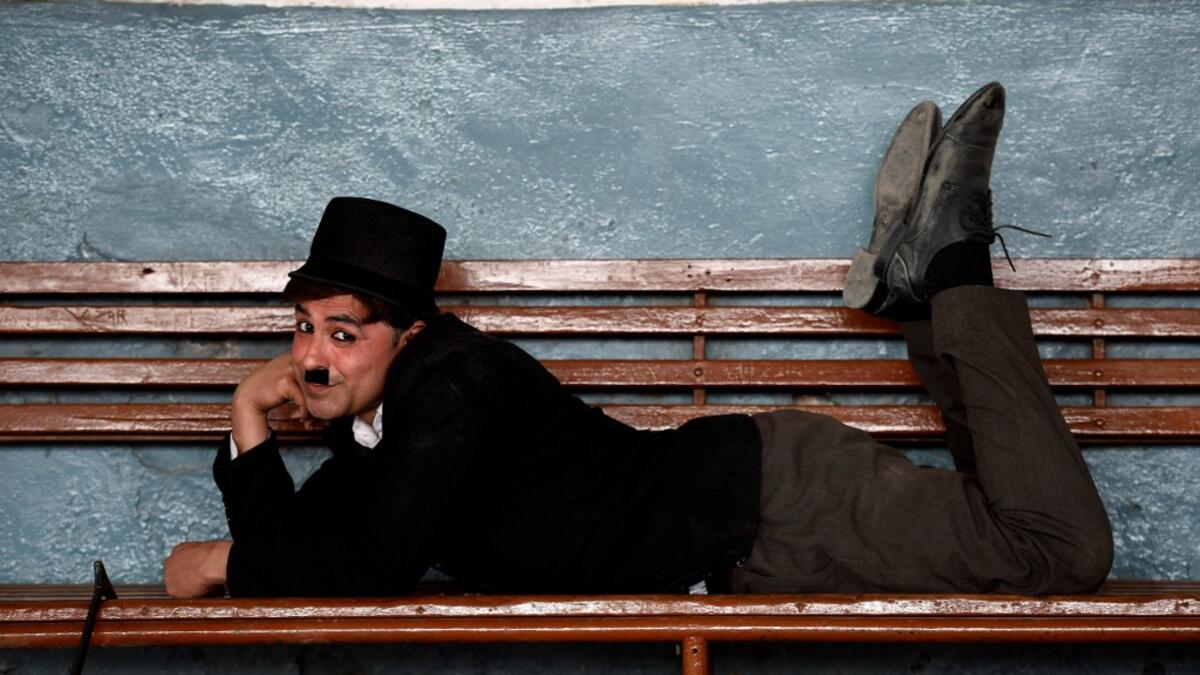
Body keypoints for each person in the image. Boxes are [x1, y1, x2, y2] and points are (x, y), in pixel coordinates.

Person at [164, 82, 1114, 599]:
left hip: (779, 513)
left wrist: (221, 561)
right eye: (301, 330)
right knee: (1013, 524)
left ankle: (949, 265)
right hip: (759, 521)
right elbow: (302, 561)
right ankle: (920, 292)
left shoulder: (449, 388)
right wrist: (248, 415)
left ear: (406, 335)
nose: (313, 357)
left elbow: (368, 568)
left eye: (342, 331)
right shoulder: (388, 429)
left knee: (1059, 551)